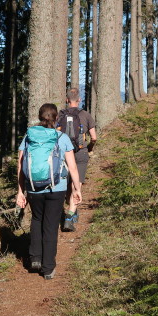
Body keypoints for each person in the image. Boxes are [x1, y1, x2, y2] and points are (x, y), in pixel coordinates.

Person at [16, 103, 82, 280]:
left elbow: (21, 164)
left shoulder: (29, 136)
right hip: (57, 187)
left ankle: (35, 258)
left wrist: (20, 191)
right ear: (56, 118)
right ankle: (48, 267)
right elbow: (73, 167)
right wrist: (76, 189)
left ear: (40, 116)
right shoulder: (61, 137)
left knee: (37, 220)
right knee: (51, 226)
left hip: (34, 187)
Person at [56, 87, 97, 232]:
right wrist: (90, 147)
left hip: (62, 154)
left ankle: (68, 209)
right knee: (76, 185)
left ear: (67, 100)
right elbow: (94, 137)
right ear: (79, 100)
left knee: (66, 185)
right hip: (80, 153)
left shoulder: (59, 114)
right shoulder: (85, 114)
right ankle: (69, 216)